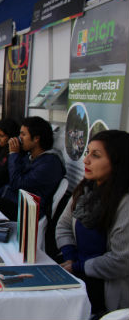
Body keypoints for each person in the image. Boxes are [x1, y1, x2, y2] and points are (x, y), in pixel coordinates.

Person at [56, 130, 129, 314]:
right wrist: (69, 255)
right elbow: (63, 225)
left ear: (118, 162)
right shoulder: (86, 189)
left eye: (95, 155)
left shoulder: (125, 202)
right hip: (76, 269)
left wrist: (78, 266)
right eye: (87, 152)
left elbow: (121, 261)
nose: (86, 160)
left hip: (105, 287)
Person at [0, 116, 65, 221]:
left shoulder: (50, 163)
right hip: (14, 200)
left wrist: (13, 154)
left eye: (23, 134)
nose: (19, 138)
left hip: (27, 211)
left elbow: (17, 183)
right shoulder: (31, 157)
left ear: (36, 138)